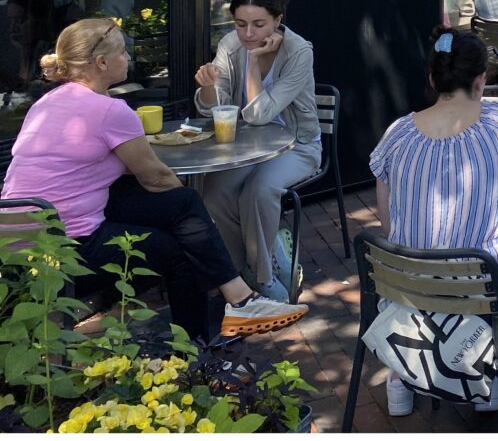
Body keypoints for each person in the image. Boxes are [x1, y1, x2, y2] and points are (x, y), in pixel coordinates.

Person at [1, 18, 308, 340]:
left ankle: (238, 299)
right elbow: (157, 179)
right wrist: (193, 220)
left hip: (13, 237)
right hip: (65, 246)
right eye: (123, 52)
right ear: (101, 63)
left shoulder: (46, 103)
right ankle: (197, 346)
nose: (128, 58)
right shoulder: (110, 111)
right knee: (179, 243)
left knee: (180, 208)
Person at [365, 27, 498, 415]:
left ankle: (399, 378)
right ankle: (487, 373)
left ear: (433, 79)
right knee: (495, 270)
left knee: (418, 261)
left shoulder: (396, 135)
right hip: (485, 299)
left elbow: (389, 228)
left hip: (408, 296)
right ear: (481, 81)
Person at [194, 0, 322, 301]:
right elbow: (213, 108)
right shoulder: (229, 44)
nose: (248, 33)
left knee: (259, 190)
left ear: (277, 21)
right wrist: (208, 87)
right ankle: (238, 271)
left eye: (258, 24)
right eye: (240, 24)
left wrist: (252, 62)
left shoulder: (298, 51)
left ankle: (263, 277)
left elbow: (258, 114)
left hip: (298, 146)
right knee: (214, 191)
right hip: (249, 147)